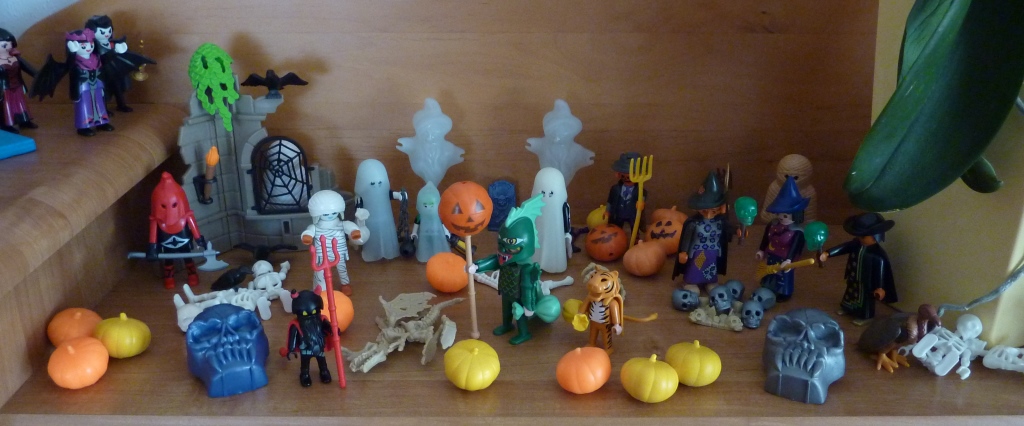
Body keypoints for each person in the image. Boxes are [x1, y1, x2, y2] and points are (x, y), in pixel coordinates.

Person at [819, 212, 898, 321]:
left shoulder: (878, 255)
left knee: (864, 299)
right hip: (853, 277)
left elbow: (880, 272)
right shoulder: (856, 244)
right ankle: (847, 308)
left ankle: (864, 316)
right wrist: (828, 253)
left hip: (866, 283)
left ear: (875, 237)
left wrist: (880, 287)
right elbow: (844, 247)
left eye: (863, 236)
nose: (859, 238)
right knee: (850, 294)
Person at [673, 171, 735, 294]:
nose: (709, 214)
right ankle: (690, 281)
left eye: (713, 210)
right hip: (698, 250)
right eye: (705, 210)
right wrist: (684, 251)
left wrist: (738, 231)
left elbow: (729, 229)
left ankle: (710, 281)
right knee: (697, 266)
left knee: (711, 266)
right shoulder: (694, 223)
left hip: (713, 250)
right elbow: (687, 238)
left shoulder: (720, 222)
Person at [301, 190, 369, 295]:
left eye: (333, 213)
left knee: (342, 269)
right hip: (322, 254)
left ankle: (345, 284)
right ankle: (321, 287)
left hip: (338, 251)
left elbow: (348, 225)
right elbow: (309, 230)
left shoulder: (340, 224)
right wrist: (307, 236)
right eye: (325, 214)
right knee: (320, 272)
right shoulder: (316, 227)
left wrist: (354, 231)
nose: (330, 216)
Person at [755, 176, 808, 301]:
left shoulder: (796, 231)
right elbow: (766, 238)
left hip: (785, 258)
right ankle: (769, 287)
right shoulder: (773, 225)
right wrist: (761, 250)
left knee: (784, 275)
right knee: (770, 272)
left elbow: (795, 247)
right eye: (779, 213)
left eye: (785, 215)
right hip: (772, 255)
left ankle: (784, 292)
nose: (781, 217)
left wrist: (789, 259)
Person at [0, 28, 37, 133]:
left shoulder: (15, 58)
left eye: (8, 42)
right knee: (5, 107)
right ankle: (5, 125)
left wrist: (40, 76)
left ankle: (24, 121)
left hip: (17, 85)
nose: (6, 45)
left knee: (20, 105)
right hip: (4, 89)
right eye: (2, 43)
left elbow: (29, 69)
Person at [605, 152, 646, 235]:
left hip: (633, 214)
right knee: (616, 229)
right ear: (618, 175)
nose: (627, 179)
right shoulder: (615, 189)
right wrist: (607, 211)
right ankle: (616, 237)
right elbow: (610, 201)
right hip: (618, 213)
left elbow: (642, 197)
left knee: (635, 228)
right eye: (624, 176)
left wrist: (642, 202)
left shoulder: (640, 190)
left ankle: (636, 238)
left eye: (630, 177)